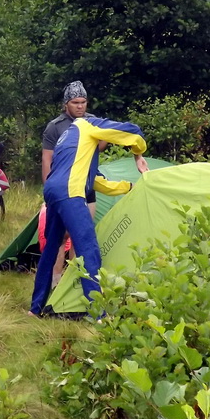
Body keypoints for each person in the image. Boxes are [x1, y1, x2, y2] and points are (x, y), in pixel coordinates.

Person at [30, 115, 148, 316]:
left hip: (52, 190)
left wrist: (129, 187)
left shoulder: (71, 139)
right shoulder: (87, 125)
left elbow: (96, 182)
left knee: (51, 248)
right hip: (68, 191)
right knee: (88, 248)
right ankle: (98, 314)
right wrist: (138, 155)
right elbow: (132, 132)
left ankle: (35, 308)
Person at [41, 81, 100, 286]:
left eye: (83, 102)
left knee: (82, 234)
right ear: (66, 103)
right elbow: (47, 160)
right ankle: (55, 279)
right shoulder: (55, 126)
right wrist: (48, 193)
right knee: (59, 236)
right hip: (62, 188)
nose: (80, 106)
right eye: (75, 102)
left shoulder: (93, 121)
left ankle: (75, 280)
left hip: (86, 187)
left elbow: (101, 145)